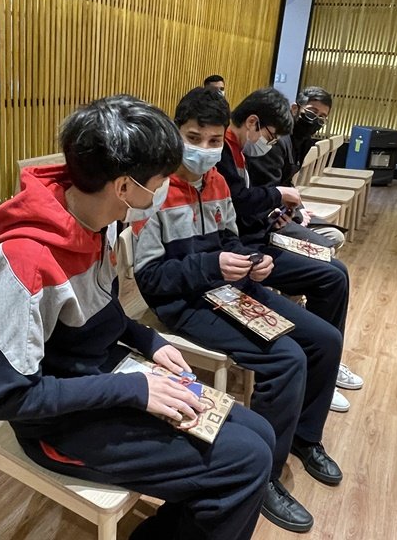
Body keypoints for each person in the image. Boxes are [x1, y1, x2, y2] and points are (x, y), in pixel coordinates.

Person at [0, 94, 274, 540]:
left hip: (103, 379)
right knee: (246, 462)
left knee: (261, 434)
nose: (163, 190)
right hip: (58, 422)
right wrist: (134, 389)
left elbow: (100, 311)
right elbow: (4, 396)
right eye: (159, 181)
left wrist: (149, 340)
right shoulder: (24, 261)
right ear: (123, 187)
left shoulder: (98, 221)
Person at [133, 87, 344, 534]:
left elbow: (231, 239)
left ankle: (305, 438)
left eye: (214, 141)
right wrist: (211, 265)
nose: (205, 149)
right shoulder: (153, 191)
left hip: (231, 286)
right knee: (286, 359)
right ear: (175, 132)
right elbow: (150, 280)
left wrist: (255, 260)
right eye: (194, 138)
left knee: (325, 340)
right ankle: (263, 477)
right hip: (185, 303)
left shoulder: (217, 182)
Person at [217, 87, 360, 412]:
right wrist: (277, 198)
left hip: (255, 239)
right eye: (196, 137)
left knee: (336, 271)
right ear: (252, 122)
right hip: (248, 248)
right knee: (329, 277)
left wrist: (275, 212)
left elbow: (238, 208)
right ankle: (320, 367)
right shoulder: (223, 152)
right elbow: (238, 205)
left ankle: (325, 365)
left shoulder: (239, 151)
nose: (205, 146)